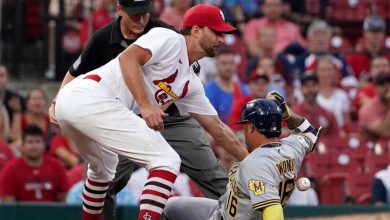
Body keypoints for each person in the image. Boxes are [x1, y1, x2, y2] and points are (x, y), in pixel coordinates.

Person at [54, 3, 248, 220]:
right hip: (91, 97)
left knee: (103, 170)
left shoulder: (190, 84)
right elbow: (127, 58)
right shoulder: (170, 38)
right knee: (167, 161)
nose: (222, 39)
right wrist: (146, 106)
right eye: (216, 32)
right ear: (196, 30)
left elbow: (218, 129)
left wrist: (250, 160)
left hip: (83, 104)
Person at [163, 92, 322, 220]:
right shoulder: (292, 147)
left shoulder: (255, 163)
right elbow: (310, 132)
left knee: (165, 208)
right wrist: (288, 114)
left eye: (245, 126)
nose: (243, 131)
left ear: (251, 128)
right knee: (168, 205)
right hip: (221, 209)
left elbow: (273, 212)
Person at [0, 125, 69, 202]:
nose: (34, 146)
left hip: (51, 213)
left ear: (44, 145)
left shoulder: (56, 166)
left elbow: (65, 199)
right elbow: (8, 204)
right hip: (21, 213)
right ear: (22, 146)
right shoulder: (11, 169)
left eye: (38, 141)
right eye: (30, 142)